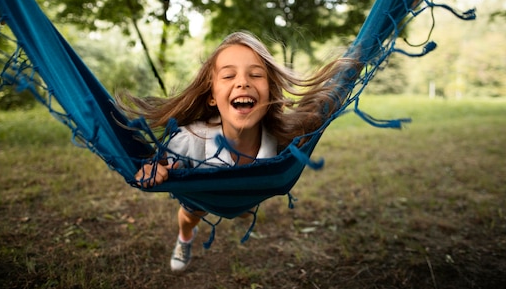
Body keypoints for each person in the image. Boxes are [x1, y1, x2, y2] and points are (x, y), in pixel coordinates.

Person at [116, 31, 356, 272]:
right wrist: (154, 169)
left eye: (256, 75)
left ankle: (240, 205)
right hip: (201, 196)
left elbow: (314, 118)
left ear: (271, 92)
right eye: (229, 75)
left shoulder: (282, 138)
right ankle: (185, 239)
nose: (243, 82)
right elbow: (158, 163)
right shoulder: (189, 138)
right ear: (212, 97)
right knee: (190, 217)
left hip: (246, 193)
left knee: (242, 209)